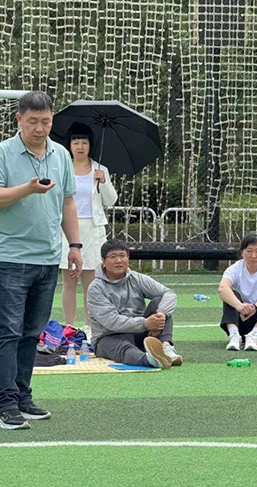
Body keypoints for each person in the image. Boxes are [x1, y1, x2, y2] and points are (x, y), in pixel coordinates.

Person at [0, 91, 82, 430]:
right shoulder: (3, 152)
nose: (39, 128)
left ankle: (22, 396)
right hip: (10, 257)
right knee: (8, 333)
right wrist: (27, 189)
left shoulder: (60, 154)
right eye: (32, 121)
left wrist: (74, 245)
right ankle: (5, 403)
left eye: (45, 121)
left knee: (32, 334)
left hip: (48, 258)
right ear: (19, 119)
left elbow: (68, 203)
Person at [60, 122, 118, 337]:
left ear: (90, 145)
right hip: (67, 230)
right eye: (76, 142)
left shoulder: (100, 169)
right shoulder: (63, 167)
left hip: (93, 230)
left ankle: (89, 327)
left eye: (84, 142)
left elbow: (111, 200)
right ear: (70, 145)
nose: (80, 146)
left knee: (91, 282)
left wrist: (104, 182)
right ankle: (68, 326)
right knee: (69, 281)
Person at [86, 239, 181, 369]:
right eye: (113, 257)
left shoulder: (137, 278)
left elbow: (169, 293)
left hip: (139, 333)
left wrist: (160, 316)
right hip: (108, 337)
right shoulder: (96, 288)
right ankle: (151, 360)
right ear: (103, 261)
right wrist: (145, 323)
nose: (119, 260)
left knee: (159, 302)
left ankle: (166, 348)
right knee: (124, 349)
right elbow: (111, 322)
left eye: (122, 256)